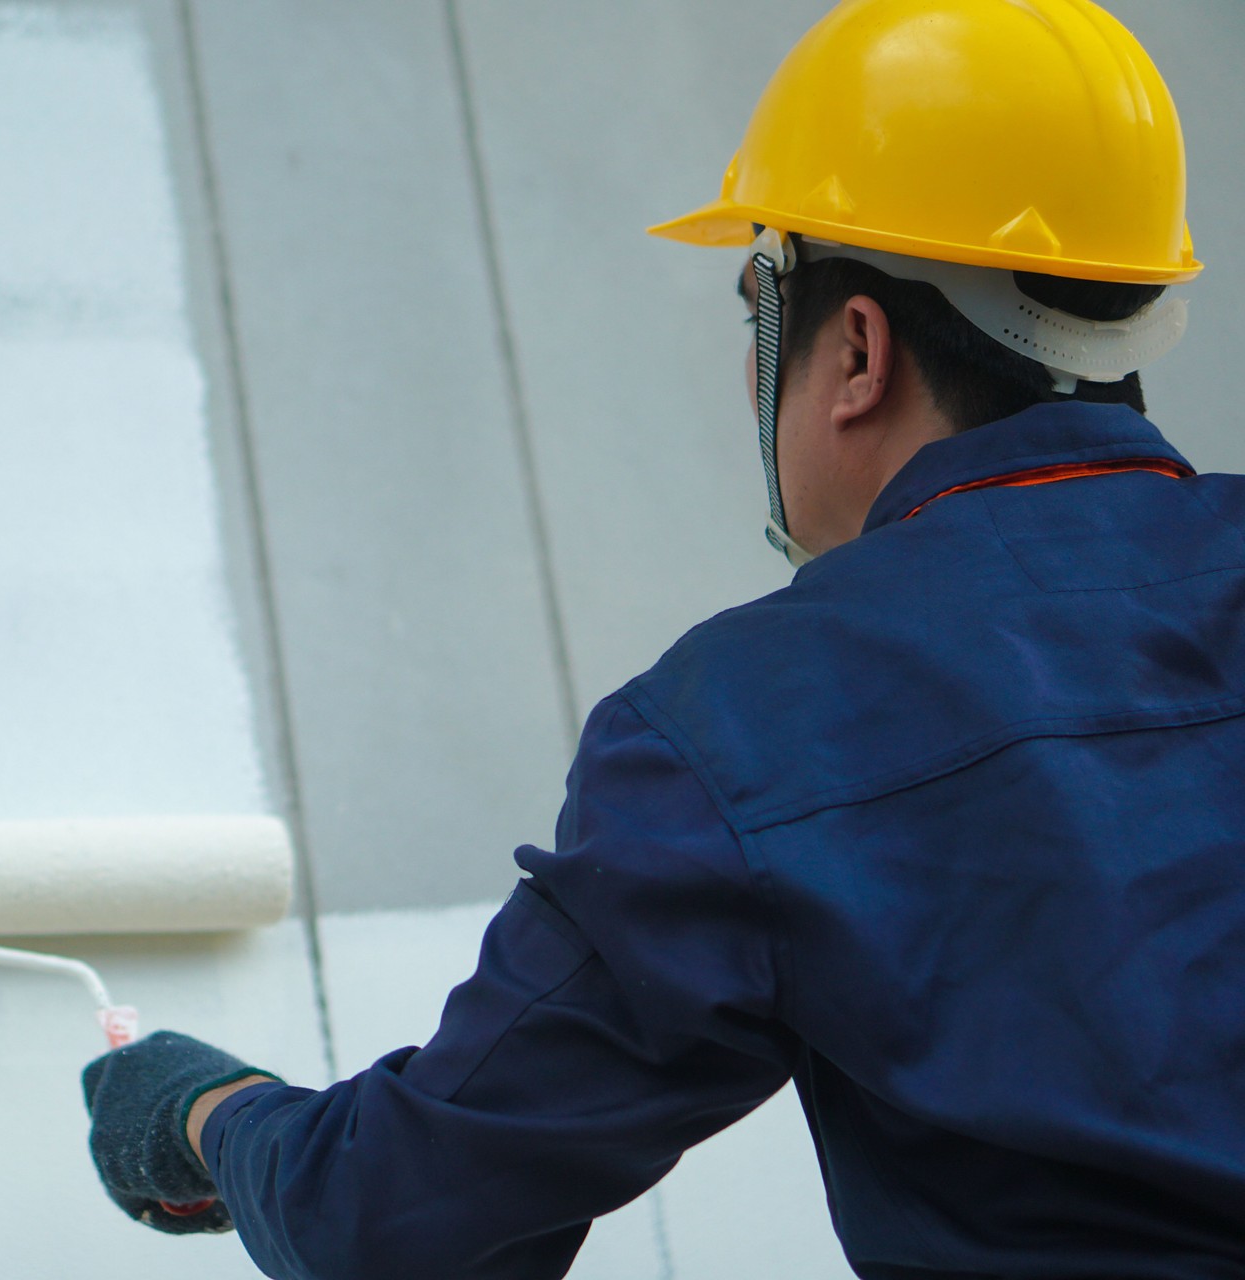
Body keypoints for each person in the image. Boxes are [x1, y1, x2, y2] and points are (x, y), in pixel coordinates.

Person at [80, 0, 1245, 1274]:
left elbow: (405, 1217)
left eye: (760, 311)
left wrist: (203, 1112)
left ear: (855, 348)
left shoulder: (751, 728)